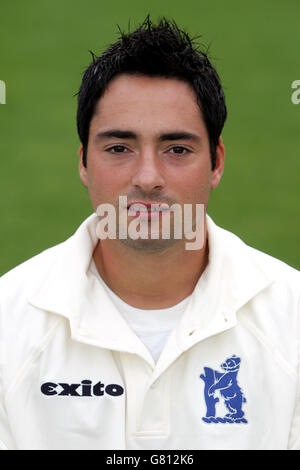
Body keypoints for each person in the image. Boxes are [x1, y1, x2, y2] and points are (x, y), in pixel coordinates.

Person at [0, 17, 299, 451]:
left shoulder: (290, 321)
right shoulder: (7, 324)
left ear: (216, 163)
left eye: (176, 149)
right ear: (84, 161)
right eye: (119, 148)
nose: (148, 177)